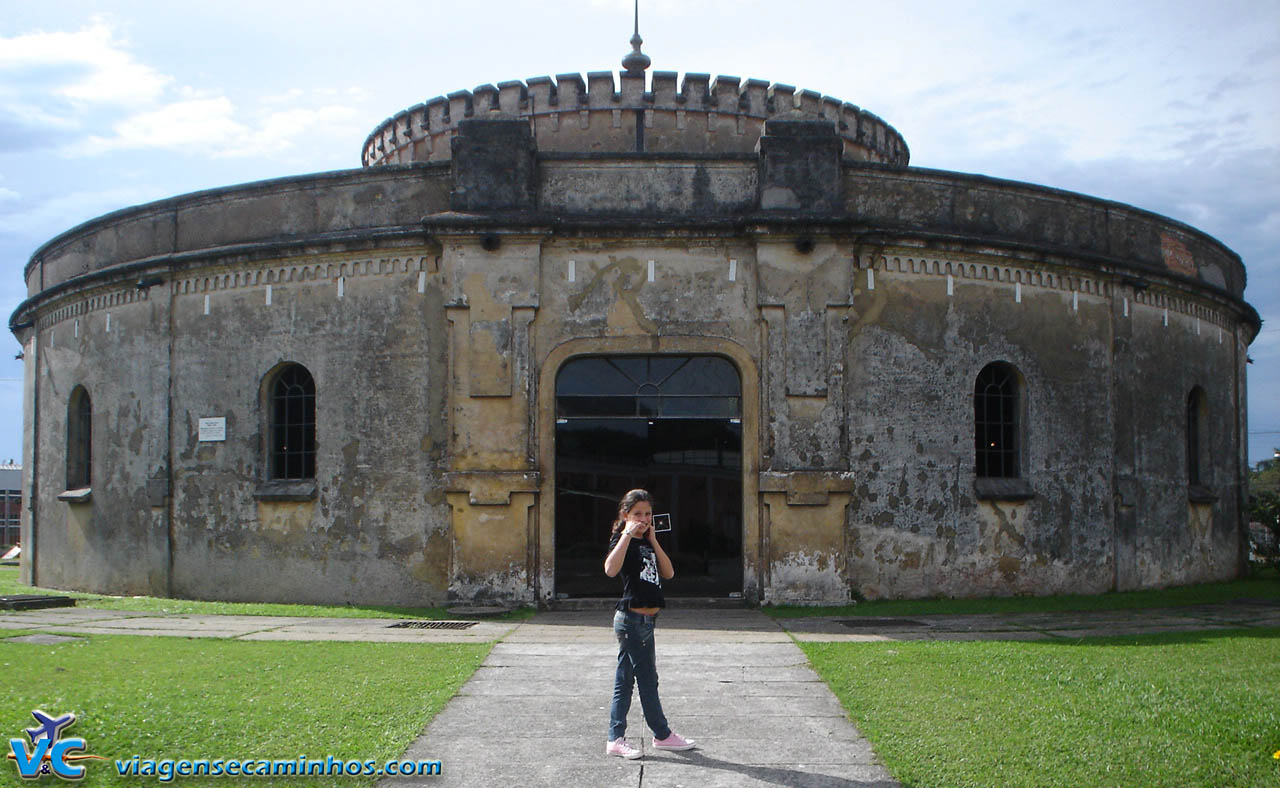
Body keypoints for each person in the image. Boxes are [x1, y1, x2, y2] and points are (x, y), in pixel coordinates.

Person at [603, 488, 696, 759]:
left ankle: (616, 738)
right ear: (626, 515)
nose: (643, 519)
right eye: (637, 514)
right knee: (647, 681)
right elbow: (610, 569)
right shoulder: (623, 540)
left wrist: (653, 540)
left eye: (647, 514)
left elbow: (668, 572)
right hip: (632, 620)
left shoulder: (647, 543)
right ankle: (662, 734)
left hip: (645, 621)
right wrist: (626, 534)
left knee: (625, 681)